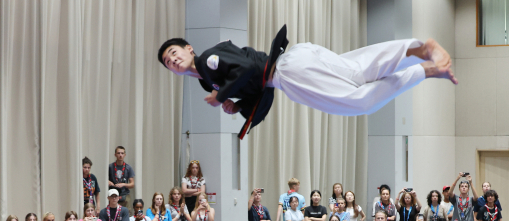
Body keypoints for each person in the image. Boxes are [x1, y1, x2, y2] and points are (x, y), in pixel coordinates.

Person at [159, 29, 456, 138]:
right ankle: (417, 50)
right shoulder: (205, 81)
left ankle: (424, 70)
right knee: (356, 72)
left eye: (174, 52)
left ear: (189, 48)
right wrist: (234, 105)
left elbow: (249, 68)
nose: (172, 60)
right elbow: (251, 87)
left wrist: (221, 93)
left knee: (359, 101)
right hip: (296, 61)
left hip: (288, 73)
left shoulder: (209, 60)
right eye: (167, 62)